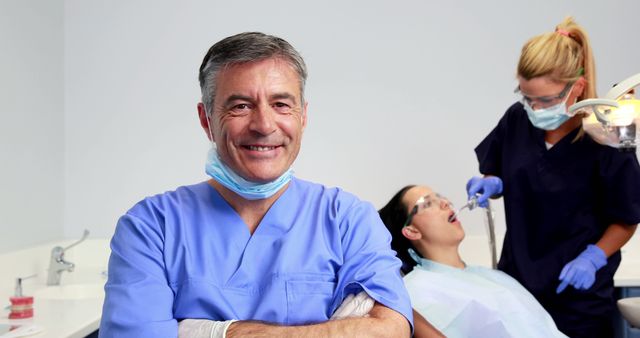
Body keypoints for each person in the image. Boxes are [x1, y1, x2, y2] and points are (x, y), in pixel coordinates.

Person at [99, 32, 413, 337]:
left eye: (281, 104)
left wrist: (215, 332)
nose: (263, 125)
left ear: (302, 117)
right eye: (240, 105)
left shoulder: (347, 220)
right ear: (206, 119)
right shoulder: (151, 228)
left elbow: (388, 329)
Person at [466, 17, 640, 337]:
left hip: (577, 300)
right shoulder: (517, 119)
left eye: (546, 100)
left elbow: (627, 218)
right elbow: (500, 167)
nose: (535, 108)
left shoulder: (609, 136)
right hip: (517, 287)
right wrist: (493, 182)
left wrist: (593, 257)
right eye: (526, 96)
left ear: (578, 88)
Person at [379, 184, 568, 338]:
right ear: (412, 231)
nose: (446, 203)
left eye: (441, 197)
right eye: (428, 204)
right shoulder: (413, 291)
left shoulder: (494, 277)